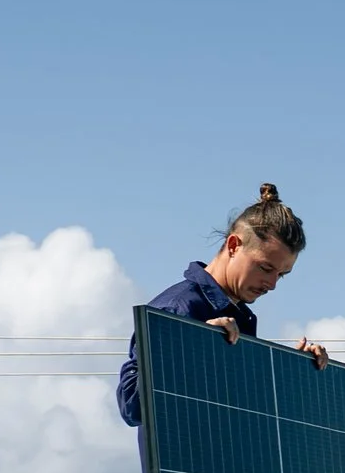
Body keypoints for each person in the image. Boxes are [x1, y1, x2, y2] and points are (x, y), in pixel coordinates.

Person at [115, 184, 326, 431]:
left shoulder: (239, 317)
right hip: (187, 468)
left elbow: (238, 411)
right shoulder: (176, 309)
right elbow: (132, 406)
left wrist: (293, 371)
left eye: (282, 275)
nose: (272, 284)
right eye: (266, 268)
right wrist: (194, 346)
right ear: (234, 245)